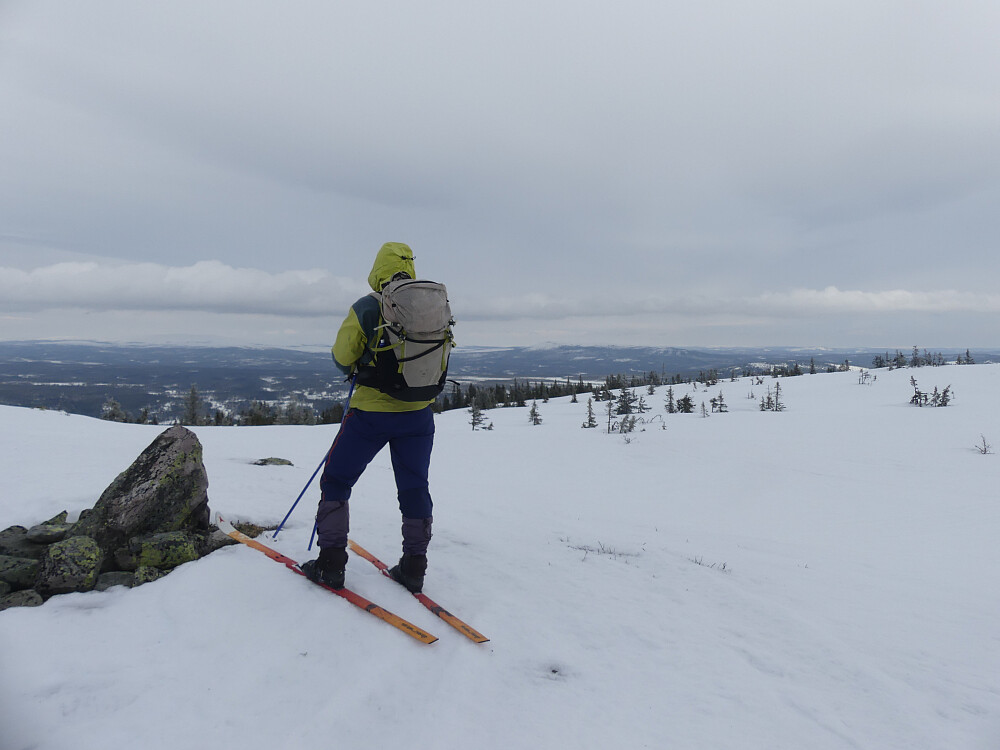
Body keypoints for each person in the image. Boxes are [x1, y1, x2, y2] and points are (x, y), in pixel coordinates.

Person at [300, 242, 436, 593]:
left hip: (371, 414)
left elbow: (343, 356)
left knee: (337, 480)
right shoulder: (430, 303)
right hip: (419, 416)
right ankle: (414, 567)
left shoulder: (367, 306)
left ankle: (331, 564)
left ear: (378, 268)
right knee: (414, 487)